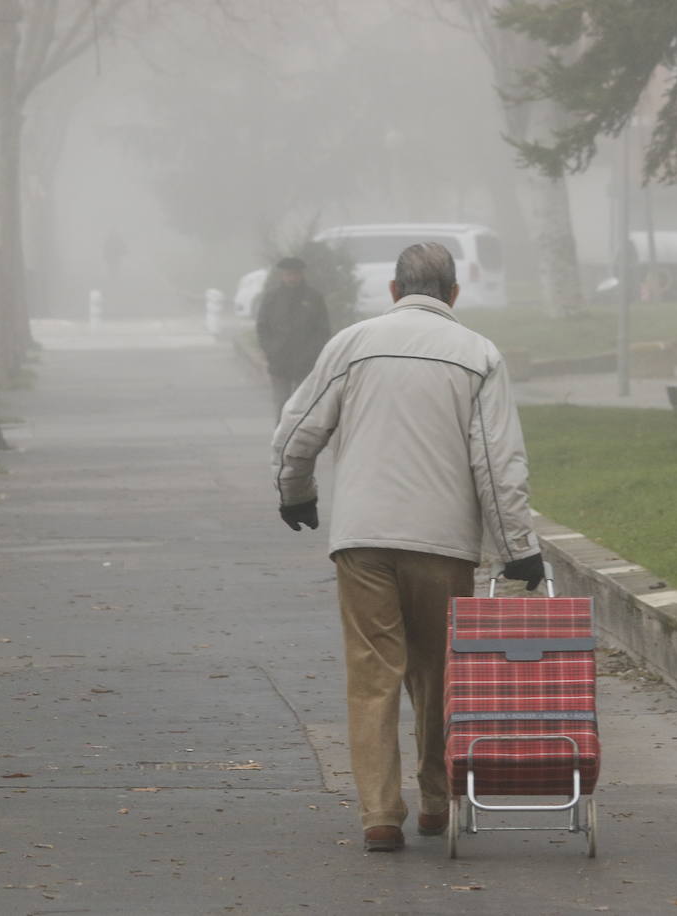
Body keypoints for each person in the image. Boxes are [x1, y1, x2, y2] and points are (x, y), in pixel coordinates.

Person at [270, 242, 544, 853]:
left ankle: (379, 815)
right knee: (437, 671)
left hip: (362, 541)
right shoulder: (479, 355)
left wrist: (296, 493)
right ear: (453, 293)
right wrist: (518, 547)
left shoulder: (352, 344)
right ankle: (436, 801)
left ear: (394, 291)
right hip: (443, 545)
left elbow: (298, 426)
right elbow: (499, 463)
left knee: (373, 675)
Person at [255, 257, 330, 417]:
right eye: (288, 274)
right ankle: (280, 440)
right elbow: (262, 326)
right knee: (281, 403)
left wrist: (314, 352)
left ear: (301, 274)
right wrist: (269, 349)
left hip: (306, 361)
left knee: (302, 405)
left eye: (295, 274)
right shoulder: (271, 297)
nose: (292, 277)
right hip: (279, 360)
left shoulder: (314, 298)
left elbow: (323, 330)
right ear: (282, 275)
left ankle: (299, 440)